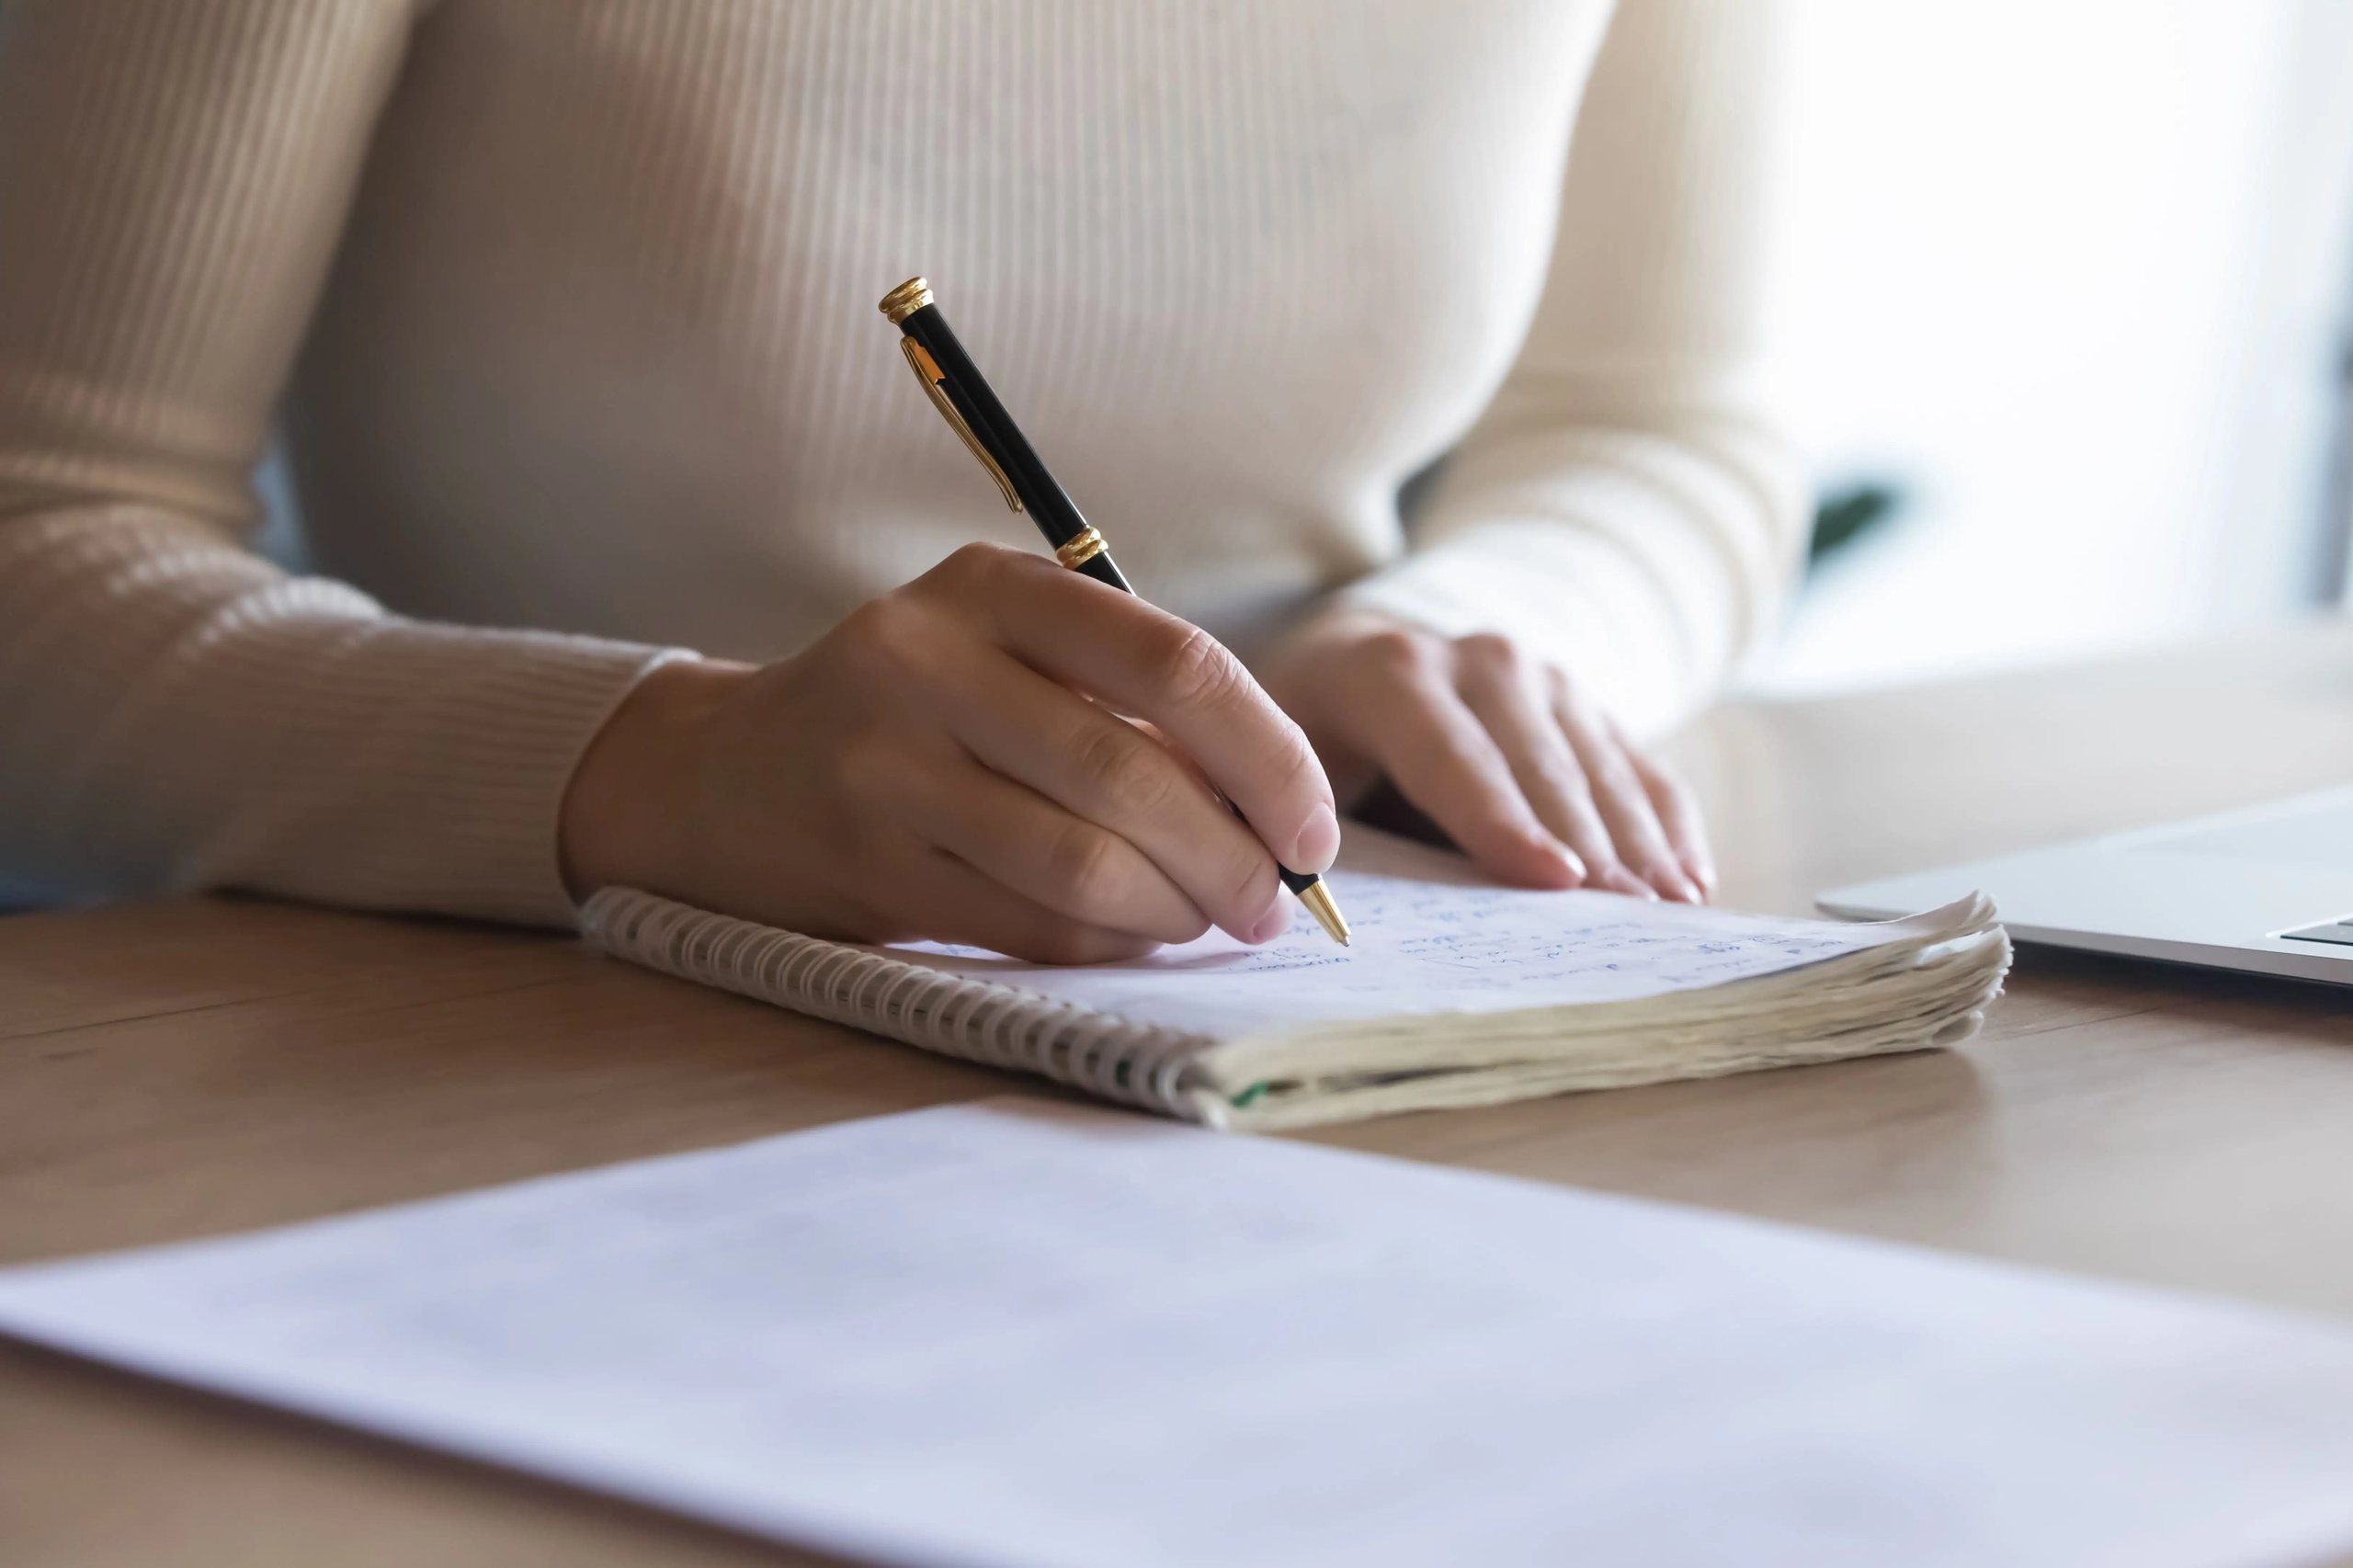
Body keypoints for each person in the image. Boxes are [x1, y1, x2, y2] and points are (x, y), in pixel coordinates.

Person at [0, 0, 1802, 962]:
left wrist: (1460, 630)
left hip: (1294, 1014)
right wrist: (663, 766)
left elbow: (1660, 420)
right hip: (518, 1041)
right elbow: (40, 535)